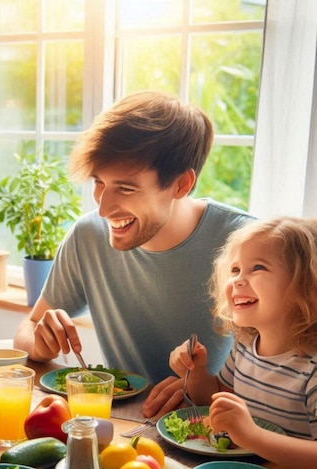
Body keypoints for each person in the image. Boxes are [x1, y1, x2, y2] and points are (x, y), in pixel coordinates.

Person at [13, 91, 255, 419]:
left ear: (181, 184)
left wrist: (206, 390)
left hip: (212, 436)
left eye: (125, 189)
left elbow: (282, 383)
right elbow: (26, 329)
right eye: (99, 182)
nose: (103, 208)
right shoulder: (88, 236)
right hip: (125, 426)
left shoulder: (244, 246)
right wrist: (40, 343)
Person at [169, 216, 317, 469]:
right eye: (234, 269)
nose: (238, 279)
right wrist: (198, 375)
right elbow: (220, 402)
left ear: (305, 286)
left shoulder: (311, 368)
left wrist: (251, 436)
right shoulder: (247, 346)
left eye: (258, 268)